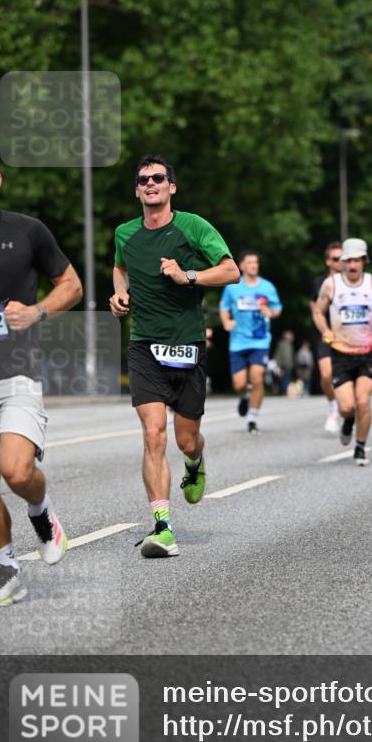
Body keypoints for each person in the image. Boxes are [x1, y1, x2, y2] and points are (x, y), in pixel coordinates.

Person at [0, 143, 83, 605]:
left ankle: (42, 512)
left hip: (16, 374)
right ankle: (8, 571)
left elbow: (71, 286)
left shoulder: (27, 232)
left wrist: (36, 312)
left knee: (17, 471)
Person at [110, 156, 239, 558]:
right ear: (137, 190)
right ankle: (163, 527)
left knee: (184, 440)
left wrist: (190, 276)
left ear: (171, 187)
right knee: (153, 433)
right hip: (144, 345)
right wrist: (119, 295)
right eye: (143, 179)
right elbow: (120, 269)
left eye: (158, 178)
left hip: (186, 346)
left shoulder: (193, 226)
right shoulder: (125, 233)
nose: (151, 183)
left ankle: (196, 461)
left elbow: (231, 271)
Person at [313, 237, 372, 466]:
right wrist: (325, 330)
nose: (352, 265)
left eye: (357, 260)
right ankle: (347, 421)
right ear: (342, 262)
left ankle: (360, 447)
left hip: (368, 353)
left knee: (363, 401)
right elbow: (318, 312)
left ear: (363, 261)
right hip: (341, 352)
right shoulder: (331, 285)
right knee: (347, 407)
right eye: (347, 260)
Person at [219, 251, 282, 434]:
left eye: (256, 262)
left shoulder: (267, 287)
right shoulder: (232, 287)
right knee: (239, 384)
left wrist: (271, 313)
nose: (254, 265)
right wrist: (226, 321)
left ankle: (252, 419)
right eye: (250, 262)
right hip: (238, 341)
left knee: (257, 377)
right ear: (241, 266)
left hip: (260, 340)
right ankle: (244, 395)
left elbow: (277, 308)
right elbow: (223, 307)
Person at [309, 242, 344, 433]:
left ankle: (347, 409)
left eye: (342, 258)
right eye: (336, 259)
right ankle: (333, 405)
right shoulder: (320, 282)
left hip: (348, 336)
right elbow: (314, 307)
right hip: (326, 334)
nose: (340, 262)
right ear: (328, 261)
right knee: (326, 374)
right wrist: (323, 328)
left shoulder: (351, 280)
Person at [273, 330, 295, 395]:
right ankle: (282, 392)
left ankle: (285, 392)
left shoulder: (289, 345)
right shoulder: (282, 344)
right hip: (283, 366)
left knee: (286, 379)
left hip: (288, 366)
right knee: (283, 380)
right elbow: (278, 356)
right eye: (291, 336)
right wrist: (279, 366)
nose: (292, 337)